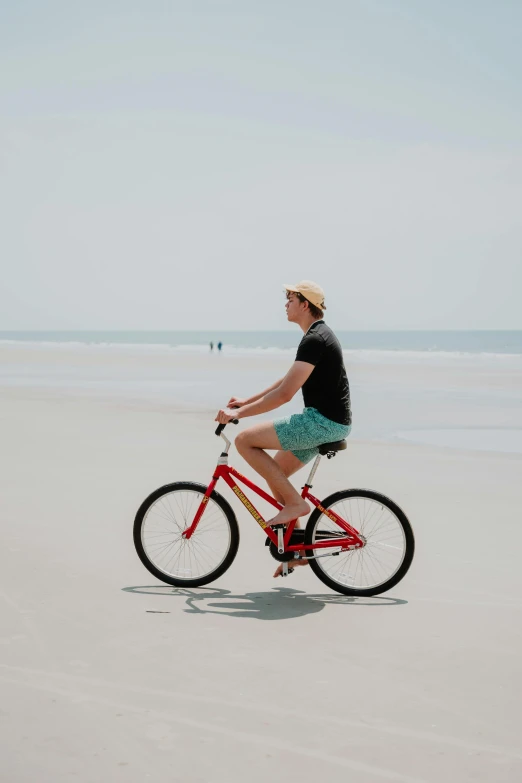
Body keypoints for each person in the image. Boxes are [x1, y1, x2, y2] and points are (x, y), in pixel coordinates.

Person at [215, 280, 352, 577]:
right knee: (277, 478)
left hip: (321, 422)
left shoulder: (315, 339)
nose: (285, 304)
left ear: (305, 304)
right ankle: (297, 552)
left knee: (244, 441)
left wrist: (238, 417)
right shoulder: (316, 337)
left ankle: (295, 505)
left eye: (290, 298)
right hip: (329, 423)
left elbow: (284, 396)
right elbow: (285, 380)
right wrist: (243, 404)